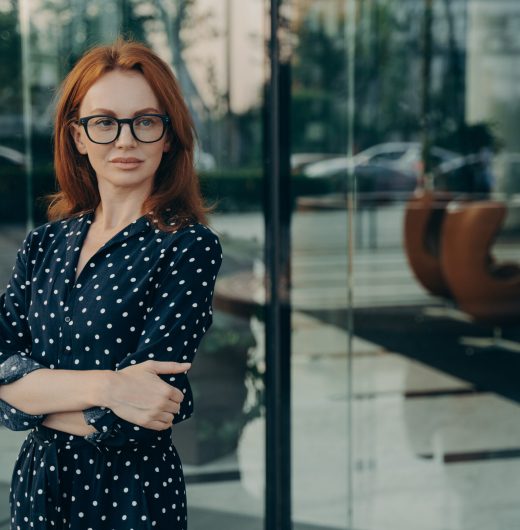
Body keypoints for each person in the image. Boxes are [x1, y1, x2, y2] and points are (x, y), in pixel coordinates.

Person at [0, 38, 222, 529]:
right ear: (77, 136)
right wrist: (108, 385)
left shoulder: (187, 247)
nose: (125, 141)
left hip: (131, 497)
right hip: (38, 488)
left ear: (169, 136)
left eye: (145, 121)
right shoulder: (44, 244)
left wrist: (30, 393)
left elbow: (143, 413)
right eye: (104, 122)